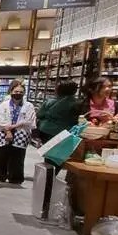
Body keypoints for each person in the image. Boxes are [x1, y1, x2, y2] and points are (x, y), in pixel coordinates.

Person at [35, 81, 82, 218]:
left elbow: (40, 114)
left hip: (48, 133)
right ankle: (53, 192)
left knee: (49, 163)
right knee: (59, 163)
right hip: (65, 135)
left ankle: (45, 193)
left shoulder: (50, 101)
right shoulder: (76, 104)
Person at [0, 79, 36, 185]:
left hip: (21, 132)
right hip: (3, 131)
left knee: (18, 156)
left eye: (21, 92)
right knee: (2, 154)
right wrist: (8, 131)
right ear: (11, 91)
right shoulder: (4, 105)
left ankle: (15, 178)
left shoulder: (29, 106)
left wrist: (14, 126)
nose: (18, 94)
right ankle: (1, 176)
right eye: (16, 91)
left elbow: (29, 120)